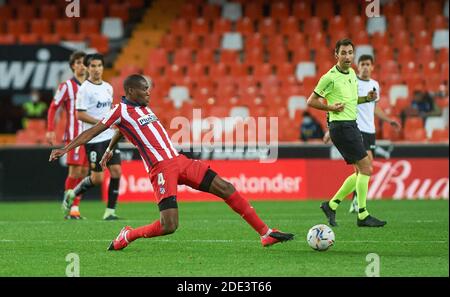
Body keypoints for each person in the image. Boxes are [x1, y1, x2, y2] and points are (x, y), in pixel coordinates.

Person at [49, 74, 294, 250]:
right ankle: (128, 235)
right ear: (132, 91)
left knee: (226, 187)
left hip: (179, 160)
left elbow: (122, 131)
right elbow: (93, 131)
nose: (149, 92)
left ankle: (266, 233)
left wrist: (110, 149)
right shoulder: (120, 110)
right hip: (161, 169)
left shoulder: (142, 108)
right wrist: (65, 148)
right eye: (145, 89)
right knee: (169, 225)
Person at [306, 39, 386, 227]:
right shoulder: (329, 77)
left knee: (360, 170)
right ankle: (362, 214)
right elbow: (311, 101)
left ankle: (331, 205)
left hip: (351, 125)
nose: (348, 56)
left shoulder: (351, 73)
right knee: (366, 167)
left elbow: (350, 101)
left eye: (350, 52)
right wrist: (331, 107)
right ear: (336, 55)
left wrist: (367, 98)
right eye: (344, 53)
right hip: (341, 127)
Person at [323, 54, 401, 214]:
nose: (365, 67)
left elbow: (374, 107)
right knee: (366, 167)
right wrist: (330, 129)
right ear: (358, 66)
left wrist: (388, 120)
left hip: (370, 130)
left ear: (372, 67)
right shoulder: (352, 81)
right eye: (362, 64)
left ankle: (338, 203)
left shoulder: (374, 84)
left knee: (362, 170)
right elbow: (343, 104)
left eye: (368, 64)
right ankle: (357, 205)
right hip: (355, 128)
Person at [64, 53, 122, 220]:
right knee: (97, 179)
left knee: (117, 171)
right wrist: (101, 122)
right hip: (94, 139)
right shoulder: (84, 90)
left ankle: (110, 212)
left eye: (99, 66)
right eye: (93, 66)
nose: (97, 69)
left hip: (110, 136)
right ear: (88, 68)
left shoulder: (108, 87)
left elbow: (110, 109)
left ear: (103, 67)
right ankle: (73, 194)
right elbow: (80, 115)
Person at [46, 51, 88, 220]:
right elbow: (53, 106)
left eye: (84, 62)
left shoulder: (91, 86)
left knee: (85, 172)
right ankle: (68, 205)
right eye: (78, 62)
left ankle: (75, 208)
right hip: (74, 136)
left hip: (90, 136)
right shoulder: (66, 86)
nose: (81, 65)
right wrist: (50, 129)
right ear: (72, 66)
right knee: (75, 171)